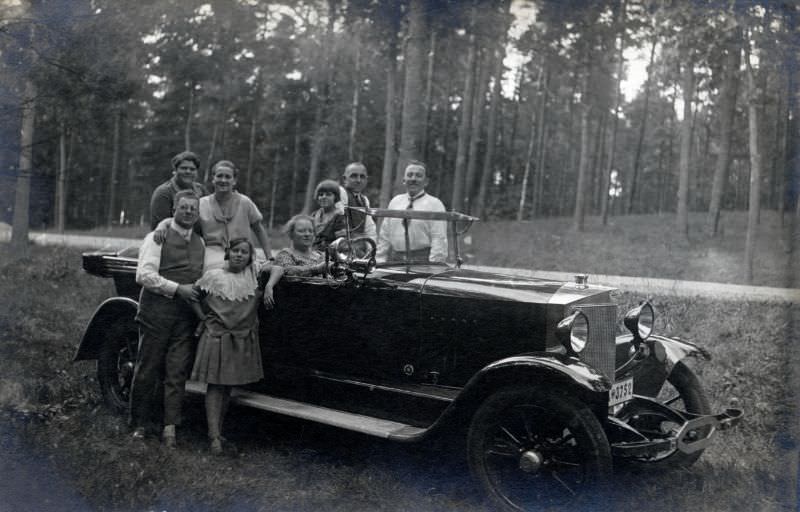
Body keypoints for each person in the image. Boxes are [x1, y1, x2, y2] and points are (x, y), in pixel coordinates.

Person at [190, 238, 284, 455]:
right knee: (216, 385)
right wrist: (202, 317)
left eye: (244, 252)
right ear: (228, 253)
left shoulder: (253, 274)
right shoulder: (214, 276)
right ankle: (213, 437)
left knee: (228, 384)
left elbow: (279, 267)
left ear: (250, 256)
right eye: (235, 251)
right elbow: (193, 295)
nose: (239, 255)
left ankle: (219, 431)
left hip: (241, 337)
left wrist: (269, 285)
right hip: (217, 335)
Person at [130, 190, 205, 447]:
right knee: (148, 368)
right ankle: (140, 423)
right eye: (183, 207)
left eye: (193, 208)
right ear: (173, 209)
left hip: (185, 317)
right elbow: (144, 275)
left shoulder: (200, 242)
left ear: (197, 213)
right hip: (156, 312)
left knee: (177, 371)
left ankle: (170, 427)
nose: (188, 212)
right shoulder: (157, 237)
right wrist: (177, 289)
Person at [155, 160, 273, 272]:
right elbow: (181, 219)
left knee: (250, 277)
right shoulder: (202, 203)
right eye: (219, 176)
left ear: (234, 181)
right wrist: (162, 225)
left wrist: (270, 258)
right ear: (213, 179)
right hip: (213, 254)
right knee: (218, 274)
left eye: (228, 177)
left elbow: (258, 229)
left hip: (242, 253)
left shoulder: (245, 202)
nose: (223, 180)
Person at [376, 161, 448, 263]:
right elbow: (385, 235)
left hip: (422, 262)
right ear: (404, 180)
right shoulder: (395, 202)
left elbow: (439, 239)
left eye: (418, 176)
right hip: (395, 261)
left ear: (426, 181)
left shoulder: (435, 204)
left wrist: (434, 266)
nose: (413, 179)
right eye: (410, 175)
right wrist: (379, 260)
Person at [149, 151, 207, 229]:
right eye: (184, 168)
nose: (188, 171)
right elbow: (160, 226)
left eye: (192, 169)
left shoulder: (201, 190)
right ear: (175, 170)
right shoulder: (163, 193)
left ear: (196, 172)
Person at [337, 162, 377, 241]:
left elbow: (370, 229)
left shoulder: (364, 200)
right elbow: (340, 224)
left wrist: (370, 249)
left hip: (357, 247)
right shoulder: (341, 193)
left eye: (362, 177)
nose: (358, 180)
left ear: (366, 180)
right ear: (345, 179)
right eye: (354, 176)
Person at [311, 179, 347, 250]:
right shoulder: (314, 215)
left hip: (330, 255)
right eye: (321, 195)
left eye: (328, 194)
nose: (324, 197)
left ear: (335, 197)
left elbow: (341, 243)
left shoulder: (339, 217)